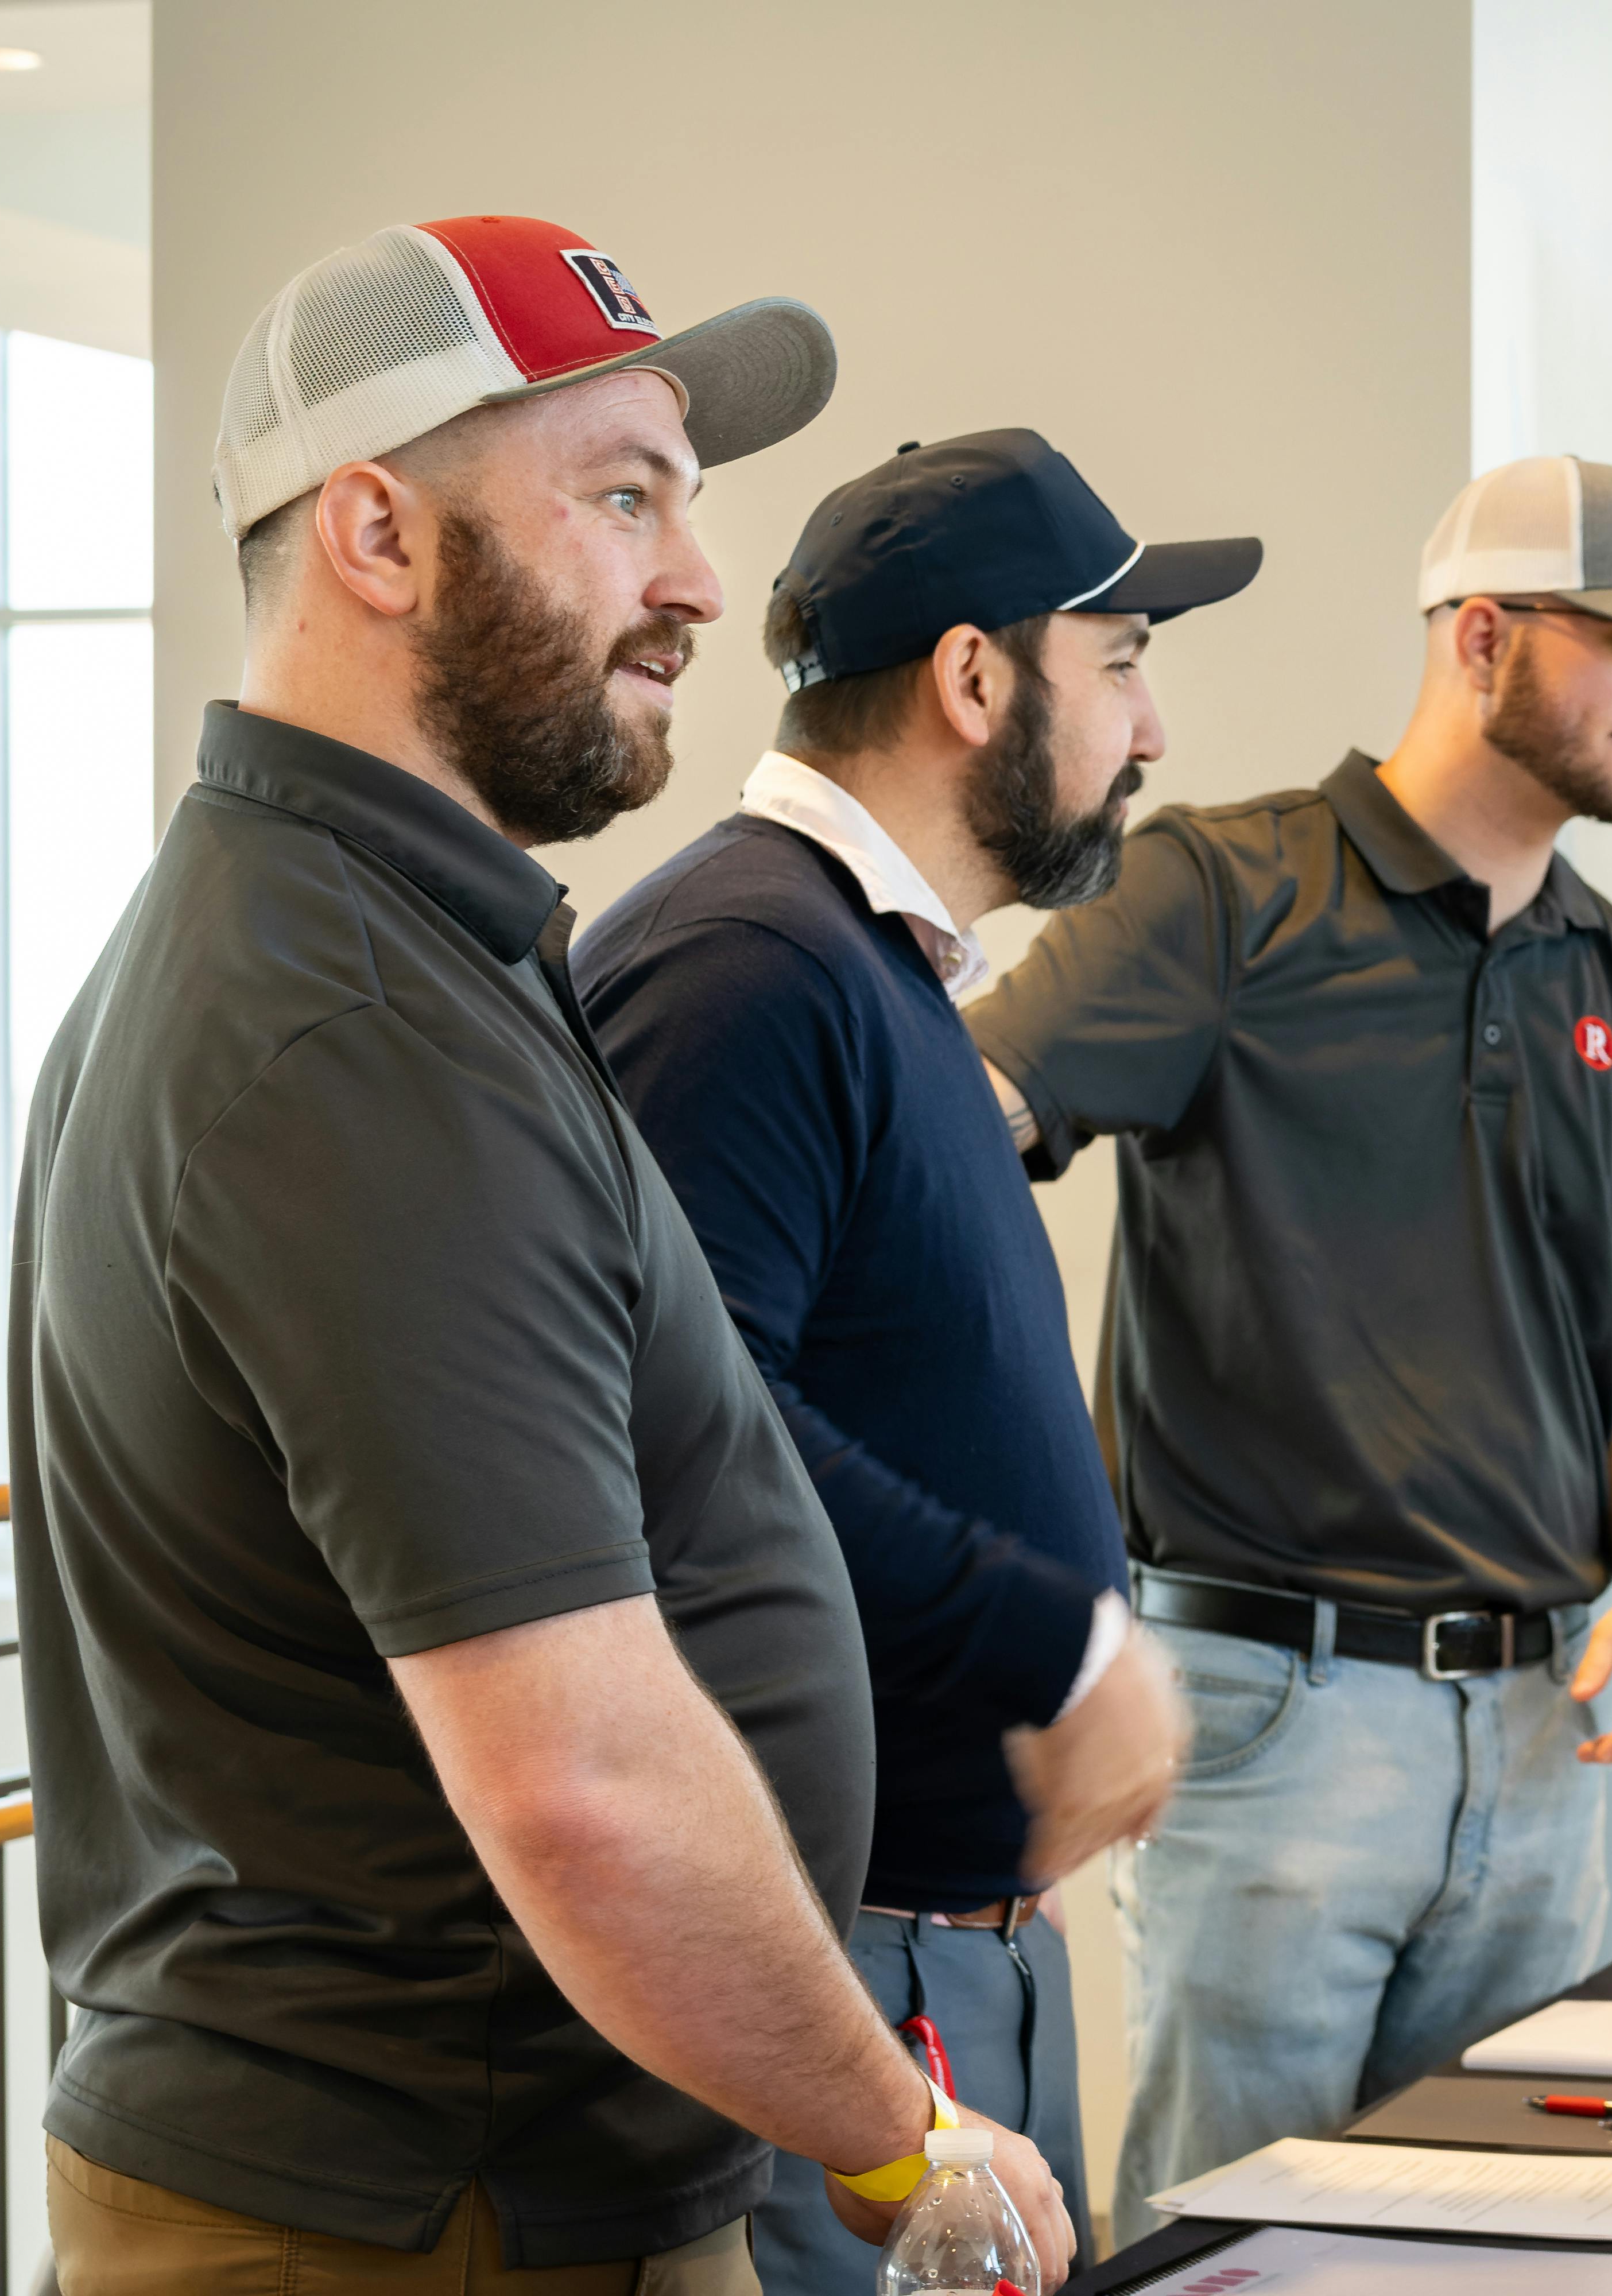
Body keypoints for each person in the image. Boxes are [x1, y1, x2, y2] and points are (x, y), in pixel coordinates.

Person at [10, 218, 1063, 2291]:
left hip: (480, 2177)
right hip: (427, 2208)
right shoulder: (351, 1040)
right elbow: (579, 1782)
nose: (692, 579)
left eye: (685, 497)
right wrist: (889, 2131)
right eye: (619, 497)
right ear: (378, 537)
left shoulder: (373, 950)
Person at [964, 454, 1612, 2227]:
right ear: (1480, 638)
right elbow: (958, 1122)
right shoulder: (1221, 892)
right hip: (1272, 1721)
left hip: (1550, 1732)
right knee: (1232, 2254)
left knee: (1508, 2253)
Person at [576, 430, 1259, 2283]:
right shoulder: (741, 975)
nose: (1153, 730)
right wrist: (1060, 1639)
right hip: (838, 1979)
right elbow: (685, 1445)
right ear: (975, 679)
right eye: (1118, 664)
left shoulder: (860, 970)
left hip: (957, 1957)